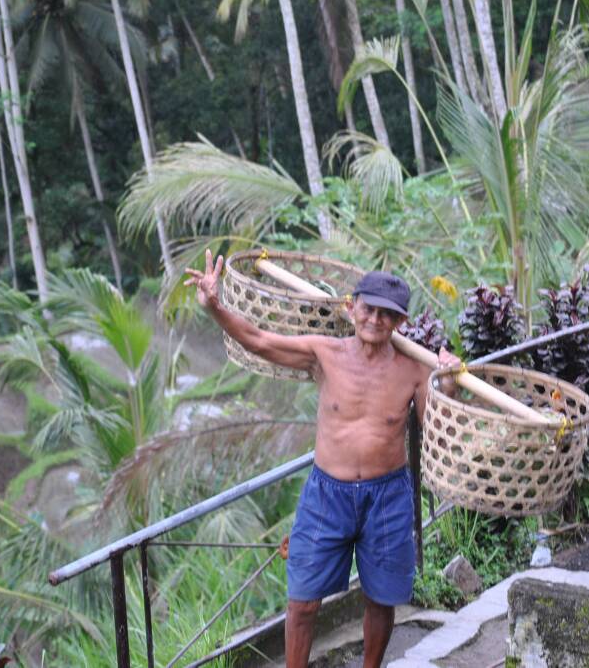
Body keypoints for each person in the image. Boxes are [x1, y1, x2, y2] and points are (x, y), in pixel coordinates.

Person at [184, 250, 459, 668]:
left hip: (387, 496)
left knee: (381, 598)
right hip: (327, 494)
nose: (375, 320)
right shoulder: (324, 353)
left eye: (387, 314)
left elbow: (436, 432)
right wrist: (215, 307)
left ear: (400, 322)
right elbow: (259, 341)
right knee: (303, 602)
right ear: (351, 307)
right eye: (369, 309)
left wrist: (448, 386)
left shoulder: (416, 369)